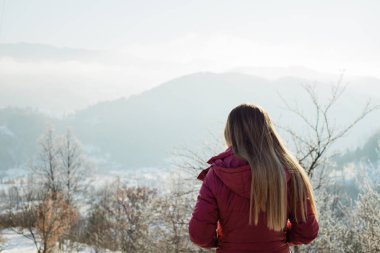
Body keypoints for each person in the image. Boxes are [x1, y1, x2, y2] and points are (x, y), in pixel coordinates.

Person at [188, 104, 319, 253]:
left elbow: (199, 235)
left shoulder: (217, 174)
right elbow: (307, 232)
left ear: (230, 133)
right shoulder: (289, 171)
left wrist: (226, 241)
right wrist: (278, 239)